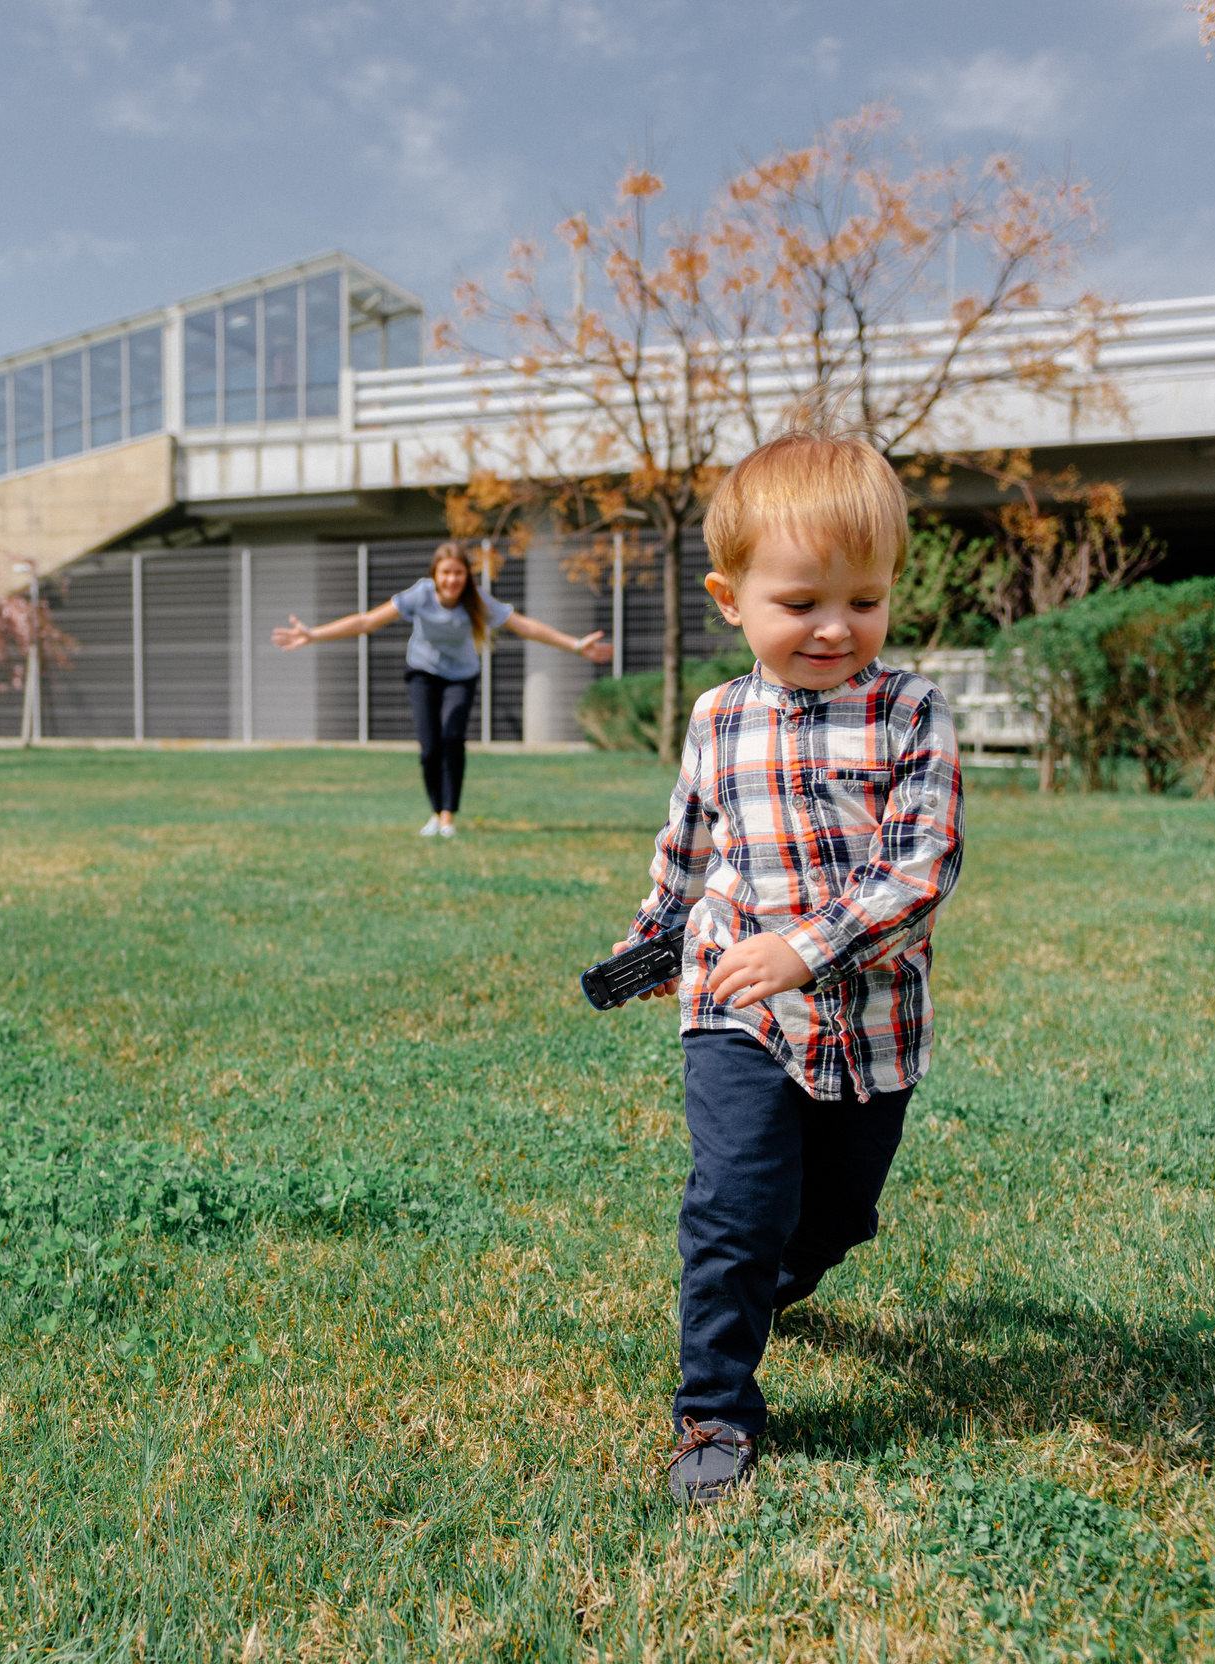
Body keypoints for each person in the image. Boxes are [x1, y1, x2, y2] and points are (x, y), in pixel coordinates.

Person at [606, 434, 962, 1506]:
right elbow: (688, 845)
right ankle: (713, 1410)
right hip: (736, 1008)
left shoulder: (909, 710)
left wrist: (806, 947)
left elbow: (922, 865)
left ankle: (779, 1278)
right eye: (801, 599)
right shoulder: (717, 717)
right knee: (733, 1199)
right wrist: (652, 947)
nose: (835, 626)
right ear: (729, 596)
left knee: (837, 1214)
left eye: (864, 599)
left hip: (872, 1018)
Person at [271, 542, 612, 836]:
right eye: (446, 572)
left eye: (458, 573)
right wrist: (313, 634)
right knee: (430, 747)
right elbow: (366, 621)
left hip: (461, 676)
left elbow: (524, 625)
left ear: (467, 576)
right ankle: (435, 813)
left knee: (452, 737)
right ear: (435, 573)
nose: (452, 579)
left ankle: (447, 817)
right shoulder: (419, 595)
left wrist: (576, 644)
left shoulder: (476, 600)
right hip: (422, 672)